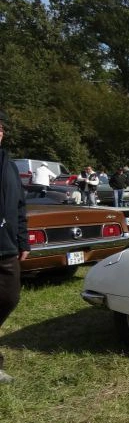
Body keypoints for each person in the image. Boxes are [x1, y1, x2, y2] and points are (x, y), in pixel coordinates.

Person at [0, 121, 31, 383]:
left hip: (7, 246)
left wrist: (23, 241)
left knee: (9, 297)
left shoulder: (9, 165)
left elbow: (20, 207)